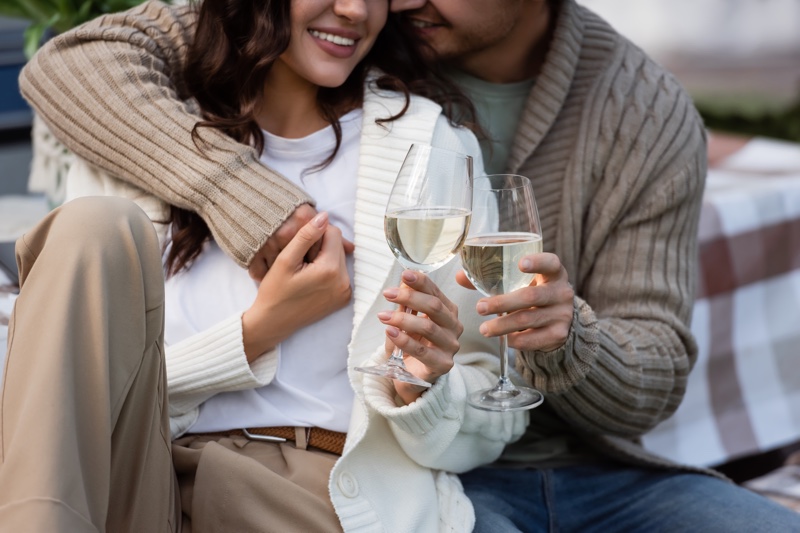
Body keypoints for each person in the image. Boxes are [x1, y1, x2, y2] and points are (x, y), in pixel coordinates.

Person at [17, 0, 800, 531]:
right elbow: (80, 62)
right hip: (375, 459)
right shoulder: (290, 50)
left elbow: (651, 376)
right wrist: (254, 214)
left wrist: (563, 343)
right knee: (90, 228)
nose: (379, 3)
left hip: (517, 456)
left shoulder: (630, 111)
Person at [0, 0, 529, 531]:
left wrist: (423, 388)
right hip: (135, 477)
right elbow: (66, 390)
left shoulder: (428, 146)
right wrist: (256, 333)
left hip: (315, 488)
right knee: (90, 224)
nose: (353, 10)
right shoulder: (136, 134)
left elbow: (492, 416)